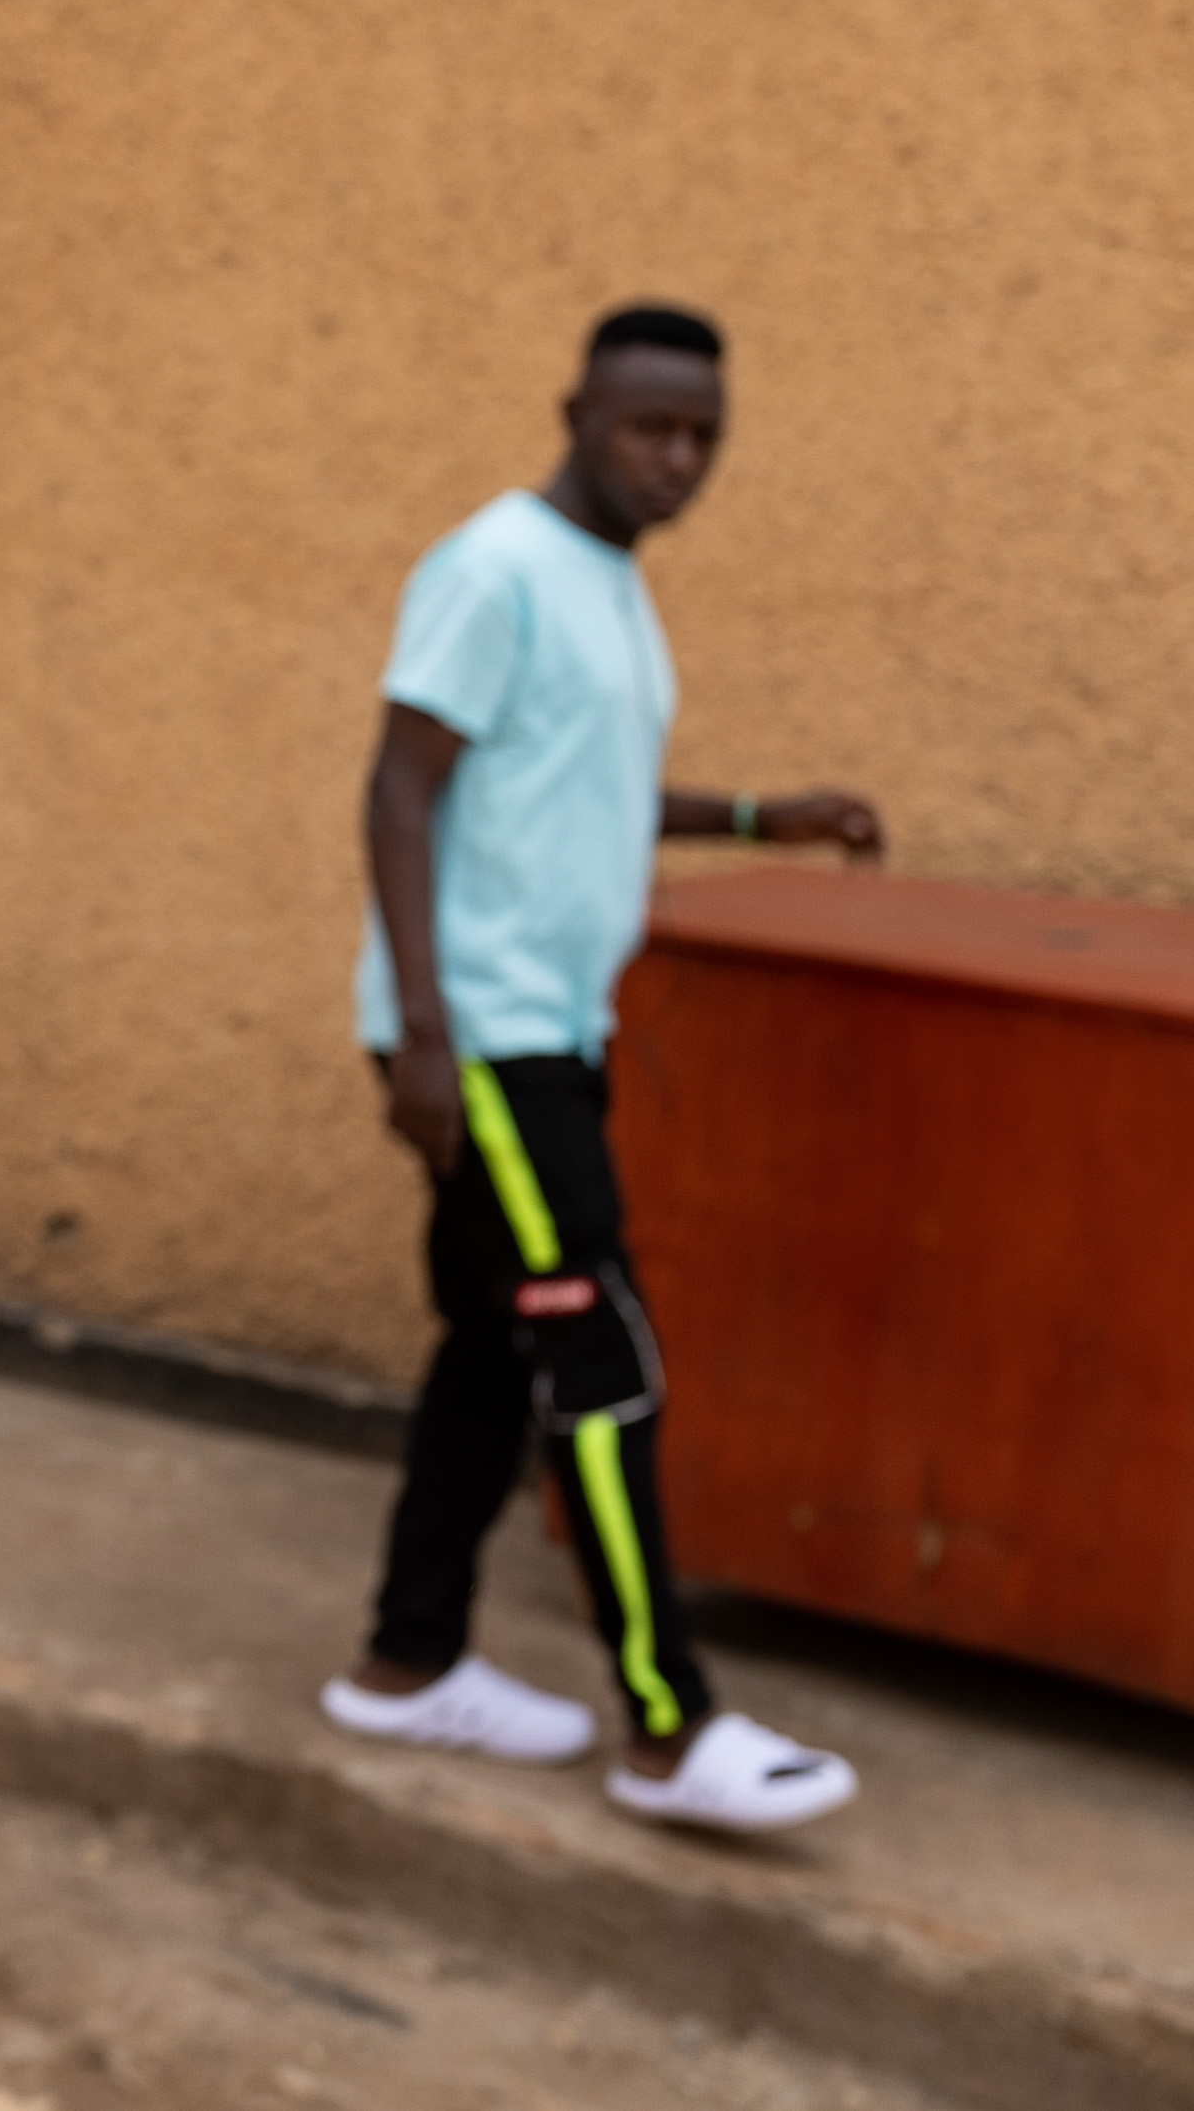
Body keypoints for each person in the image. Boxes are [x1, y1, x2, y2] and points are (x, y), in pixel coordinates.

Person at [327, 303, 882, 1834]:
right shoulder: (493, 566)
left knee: (488, 1343)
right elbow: (398, 786)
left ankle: (404, 1659)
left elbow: (582, 790)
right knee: (599, 1357)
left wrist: (764, 816)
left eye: (701, 434)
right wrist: (422, 1032)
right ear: (572, 410)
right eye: (647, 426)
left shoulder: (608, 587)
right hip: (487, 1039)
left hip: (551, 1029)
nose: (674, 457)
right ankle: (665, 1725)